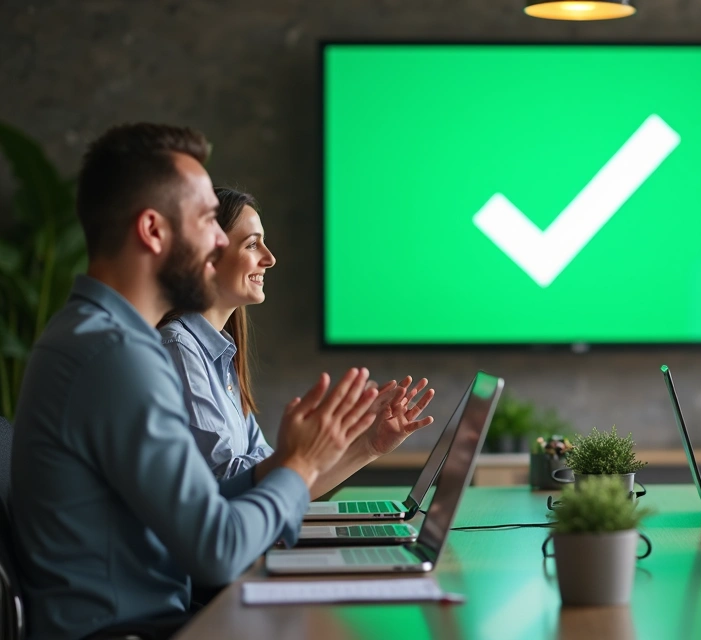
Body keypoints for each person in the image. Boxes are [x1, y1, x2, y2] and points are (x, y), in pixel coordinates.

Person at [10, 123, 400, 640]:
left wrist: (303, 462)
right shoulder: (118, 356)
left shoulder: (100, 338)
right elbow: (218, 550)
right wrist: (299, 464)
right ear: (153, 231)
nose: (219, 240)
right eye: (205, 221)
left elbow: (209, 503)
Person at [158, 187, 435, 495]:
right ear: (209, 256)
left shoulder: (220, 358)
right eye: (252, 245)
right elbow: (228, 483)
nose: (270, 258)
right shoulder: (179, 350)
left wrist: (369, 444)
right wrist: (315, 443)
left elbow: (279, 485)